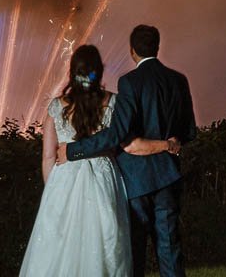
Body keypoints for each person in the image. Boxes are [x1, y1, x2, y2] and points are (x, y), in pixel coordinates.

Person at [18, 44, 176, 277]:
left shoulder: (56, 107)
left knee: (58, 244)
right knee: (104, 240)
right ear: (99, 72)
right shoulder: (113, 102)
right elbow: (129, 144)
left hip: (64, 178)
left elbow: (48, 156)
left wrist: (52, 190)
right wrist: (166, 145)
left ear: (72, 71)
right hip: (103, 178)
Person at [57, 24, 197, 277]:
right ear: (157, 46)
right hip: (168, 175)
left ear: (132, 51)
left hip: (136, 179)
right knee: (169, 246)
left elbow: (117, 134)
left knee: (134, 250)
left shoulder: (130, 82)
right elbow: (189, 132)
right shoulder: (179, 80)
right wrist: (168, 144)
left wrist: (74, 150)